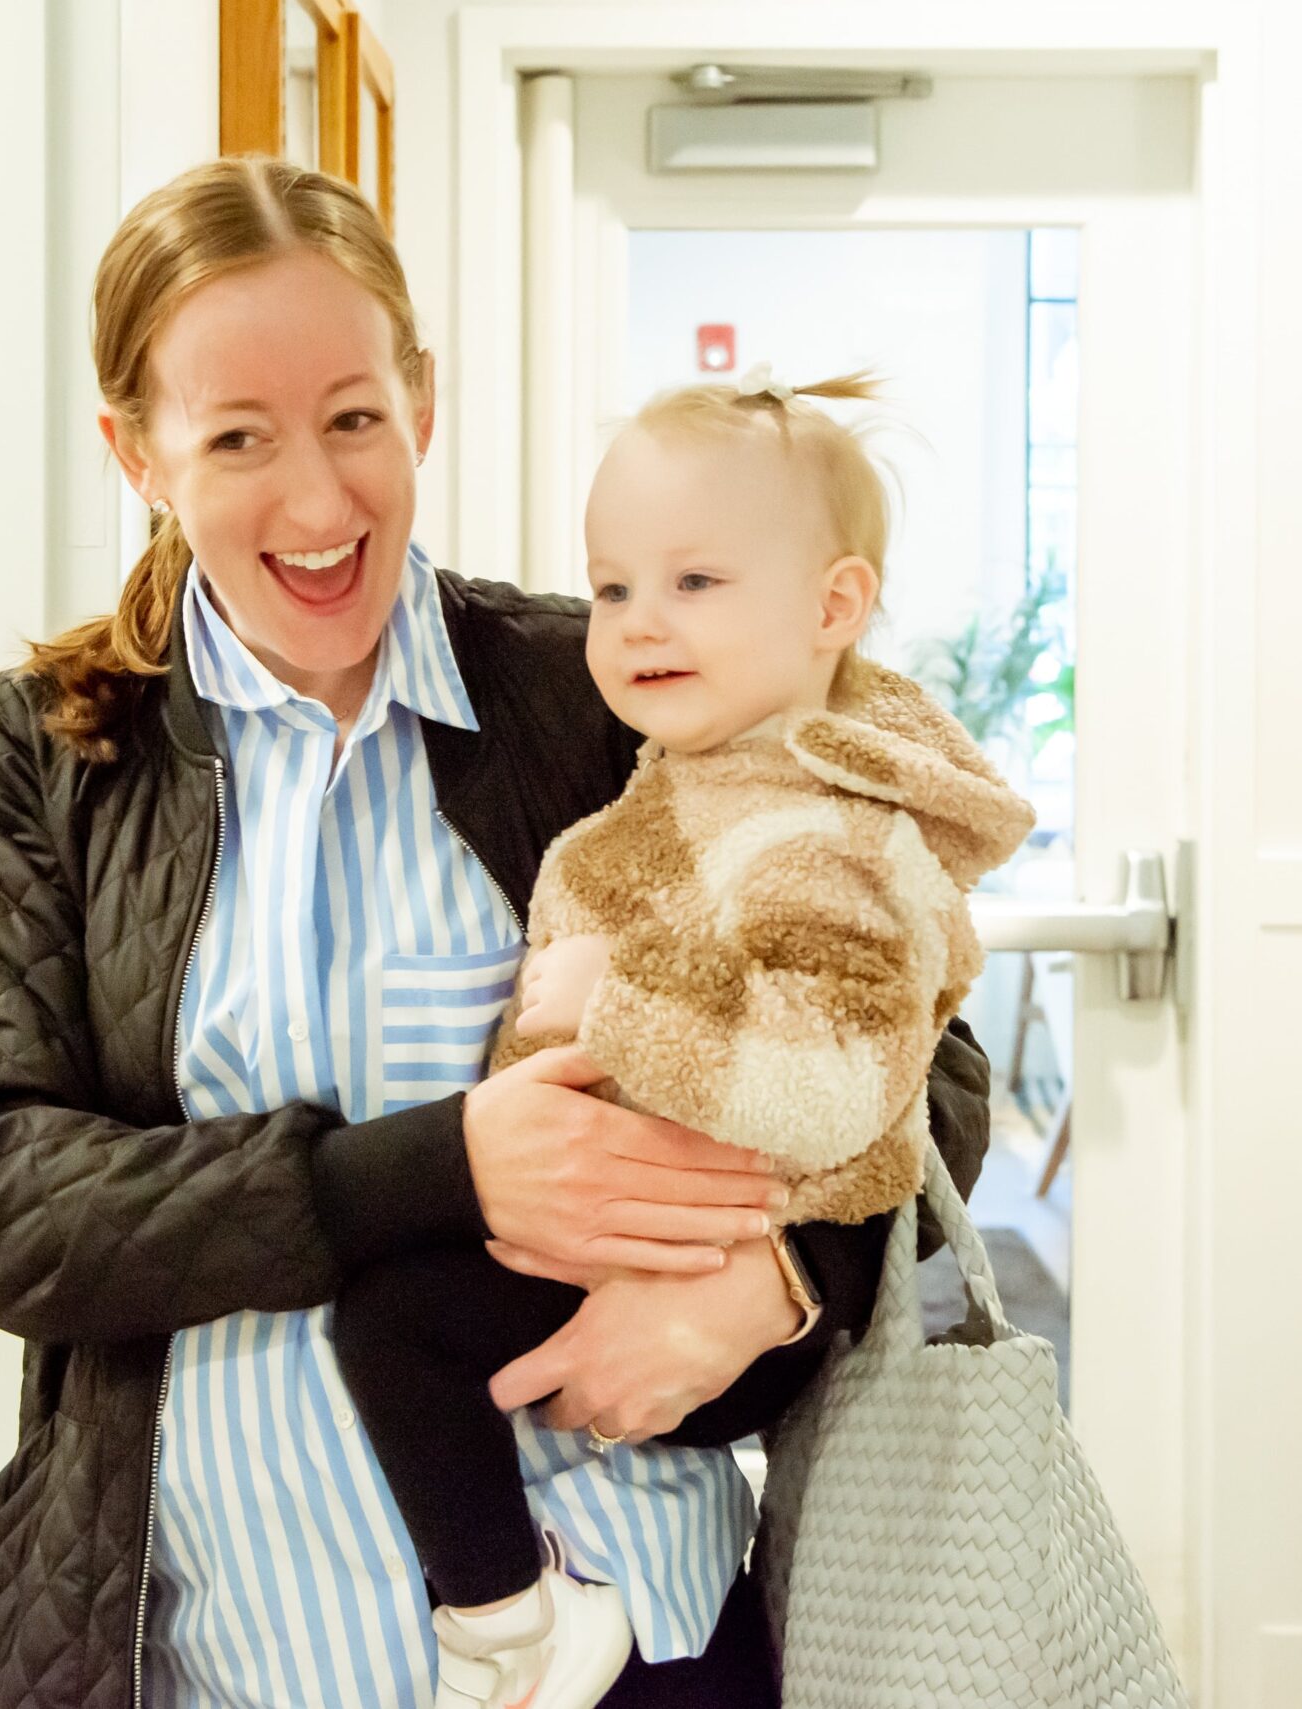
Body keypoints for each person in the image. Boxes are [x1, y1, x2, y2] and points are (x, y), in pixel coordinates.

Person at [0, 155, 995, 1709]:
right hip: (222, 1654)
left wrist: (771, 1286)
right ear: (134, 451)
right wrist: (432, 1167)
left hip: (635, 1638)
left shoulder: (599, 689)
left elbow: (920, 1062)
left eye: (356, 416)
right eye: (235, 438)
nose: (318, 499)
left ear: (424, 398)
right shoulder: (56, 753)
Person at [328, 373, 1036, 1709]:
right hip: (637, 1245)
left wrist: (617, 1010)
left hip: (716, 1279)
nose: (639, 621)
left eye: (696, 581)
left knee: (397, 1314)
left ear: (833, 606)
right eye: (610, 588)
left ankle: (509, 1629)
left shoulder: (828, 833)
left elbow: (842, 1090)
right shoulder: (675, 787)